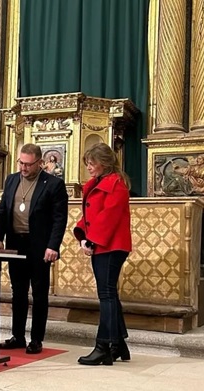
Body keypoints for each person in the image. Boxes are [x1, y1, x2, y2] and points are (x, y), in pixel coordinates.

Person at [0, 143, 68, 354]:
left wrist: (53, 246)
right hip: (15, 244)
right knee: (18, 292)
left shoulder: (53, 184)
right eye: (21, 163)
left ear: (40, 163)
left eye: (28, 164)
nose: (24, 168)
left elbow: (59, 219)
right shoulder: (11, 180)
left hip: (39, 246)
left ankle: (36, 339)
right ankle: (18, 336)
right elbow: (2, 210)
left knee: (39, 293)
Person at [73, 142, 132, 366]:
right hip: (104, 244)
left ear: (104, 163)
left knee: (106, 295)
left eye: (92, 163)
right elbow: (92, 214)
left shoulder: (116, 184)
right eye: (87, 163)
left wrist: (92, 240)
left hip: (111, 245)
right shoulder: (100, 183)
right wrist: (84, 234)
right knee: (109, 294)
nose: (89, 167)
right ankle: (118, 344)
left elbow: (109, 217)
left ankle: (103, 346)